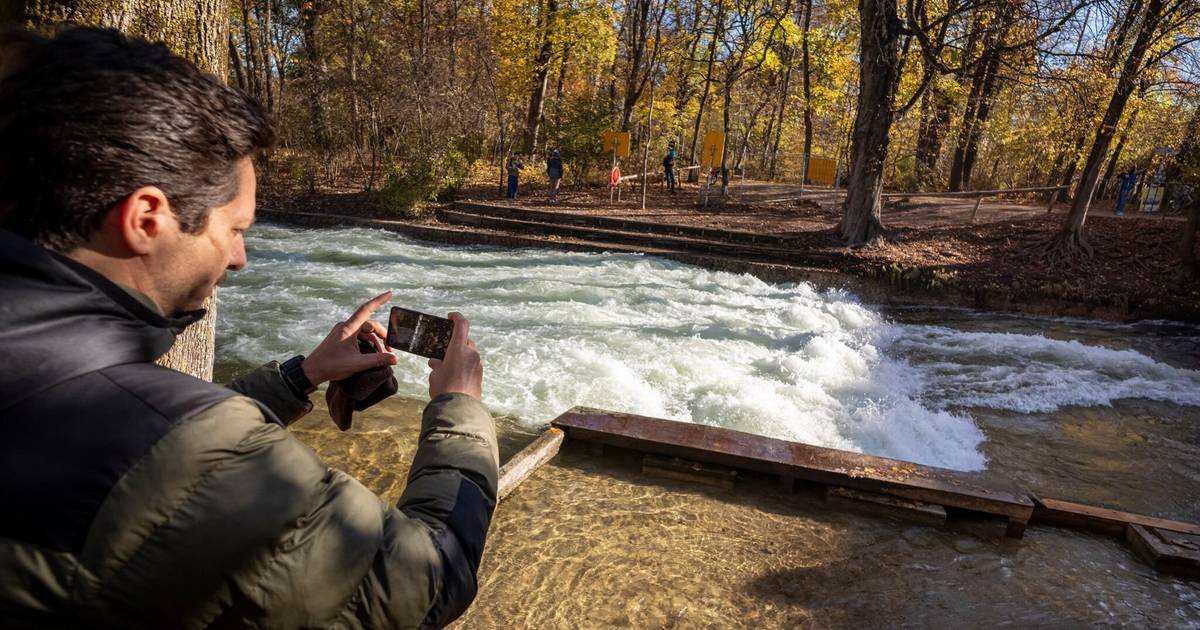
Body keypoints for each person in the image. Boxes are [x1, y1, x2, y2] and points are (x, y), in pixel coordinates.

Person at [0, 27, 497, 628]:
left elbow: (140, 459)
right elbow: (423, 582)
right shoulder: (179, 449)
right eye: (235, 230)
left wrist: (302, 375)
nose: (240, 259)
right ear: (146, 218)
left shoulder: (50, 378)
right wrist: (459, 408)